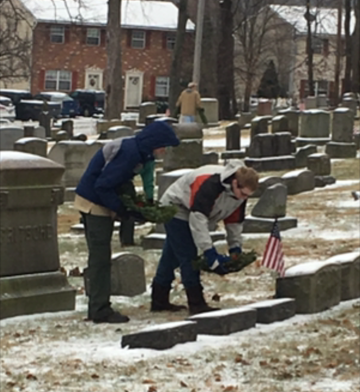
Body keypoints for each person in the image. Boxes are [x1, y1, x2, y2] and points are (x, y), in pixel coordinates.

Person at [74, 122, 180, 324]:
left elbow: (121, 181)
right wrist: (123, 210)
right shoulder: (130, 153)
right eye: (163, 146)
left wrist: (134, 206)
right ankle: (99, 309)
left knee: (101, 257)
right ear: (153, 143)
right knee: (100, 257)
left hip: (98, 199)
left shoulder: (137, 151)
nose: (164, 151)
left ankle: (99, 305)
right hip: (93, 202)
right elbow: (103, 185)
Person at [150, 160, 259, 315]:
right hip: (175, 207)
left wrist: (235, 248)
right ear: (235, 183)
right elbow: (198, 221)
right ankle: (196, 303)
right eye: (243, 194)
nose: (243, 198)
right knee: (188, 256)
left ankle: (159, 300)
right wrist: (209, 253)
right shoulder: (210, 184)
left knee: (172, 256)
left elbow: (234, 222)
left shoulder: (239, 194)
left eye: (248, 196)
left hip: (193, 211)